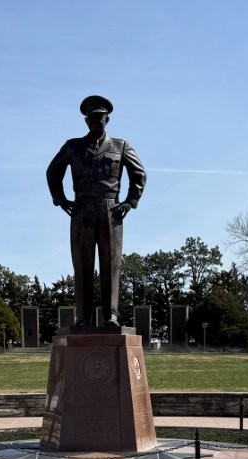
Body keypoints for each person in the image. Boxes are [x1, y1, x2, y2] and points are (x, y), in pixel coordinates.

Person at [46, 95, 146, 330]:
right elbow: (53, 172)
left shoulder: (120, 146)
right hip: (81, 210)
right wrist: (60, 199)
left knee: (111, 264)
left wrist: (130, 202)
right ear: (86, 121)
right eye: (92, 118)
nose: (96, 121)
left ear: (107, 119)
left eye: (100, 118)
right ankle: (83, 318)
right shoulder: (73, 146)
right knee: (82, 265)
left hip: (111, 210)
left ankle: (111, 317)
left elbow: (139, 174)